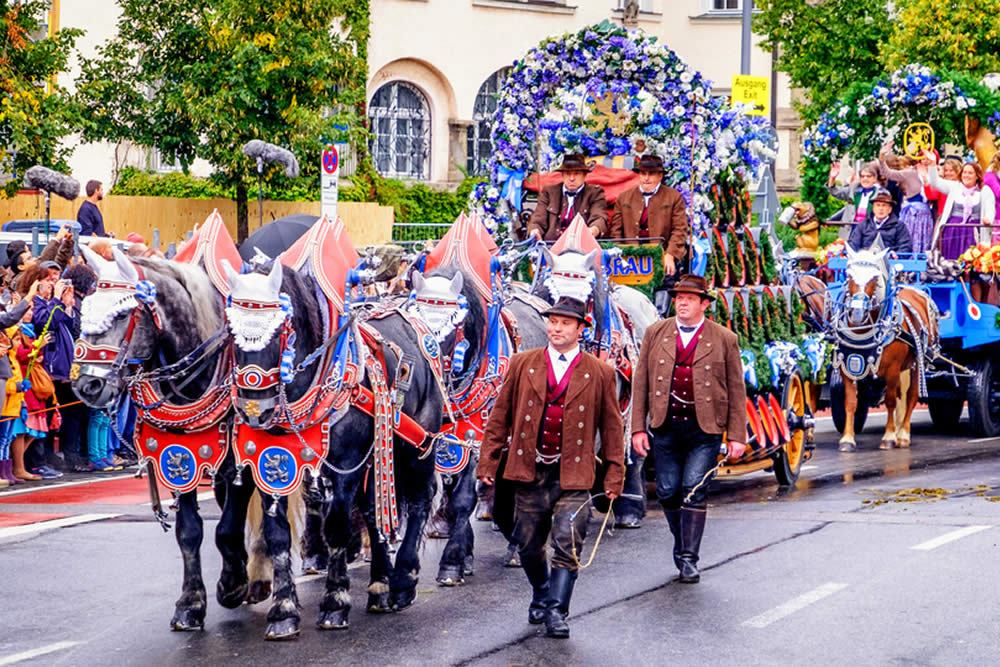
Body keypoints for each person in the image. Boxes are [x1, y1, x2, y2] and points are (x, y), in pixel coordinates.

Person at [478, 297, 624, 639]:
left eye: (565, 323)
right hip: (529, 470)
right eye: (553, 322)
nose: (556, 328)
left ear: (579, 329)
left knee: (567, 540)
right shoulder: (522, 363)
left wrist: (615, 473)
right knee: (528, 544)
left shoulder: (600, 372)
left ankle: (557, 611)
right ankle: (541, 591)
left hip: (574, 474)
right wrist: (489, 459)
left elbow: (613, 428)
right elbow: (500, 416)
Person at [631, 275, 747, 584]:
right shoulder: (655, 333)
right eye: (678, 297)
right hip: (665, 426)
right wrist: (637, 429)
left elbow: (737, 389)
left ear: (704, 304)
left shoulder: (724, 338)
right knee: (668, 491)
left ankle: (687, 558)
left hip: (704, 429)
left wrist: (736, 435)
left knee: (693, 489)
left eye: (689, 298)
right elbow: (640, 382)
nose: (681, 302)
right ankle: (682, 541)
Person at [609, 154, 688, 277]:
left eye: (651, 174)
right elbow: (616, 230)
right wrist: (618, 254)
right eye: (643, 174)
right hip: (631, 256)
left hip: (661, 253)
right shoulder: (624, 197)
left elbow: (680, 229)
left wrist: (670, 254)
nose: (646, 178)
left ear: (660, 176)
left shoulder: (674, 197)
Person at [925, 153, 996, 259]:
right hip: (953, 230)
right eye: (964, 172)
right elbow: (935, 183)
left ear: (977, 176)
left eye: (970, 173)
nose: (966, 175)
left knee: (971, 261)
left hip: (972, 232)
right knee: (951, 259)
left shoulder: (984, 191)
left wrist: (988, 219)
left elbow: (990, 209)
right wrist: (932, 164)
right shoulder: (954, 187)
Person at [527, 154, 608, 242]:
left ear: (584, 175)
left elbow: (599, 216)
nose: (572, 178)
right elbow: (538, 218)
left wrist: (594, 229)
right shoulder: (549, 192)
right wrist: (534, 230)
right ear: (562, 175)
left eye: (576, 174)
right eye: (568, 174)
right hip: (552, 244)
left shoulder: (595, 193)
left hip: (582, 244)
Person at [878, 141, 933, 253]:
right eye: (924, 158)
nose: (926, 161)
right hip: (911, 215)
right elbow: (888, 173)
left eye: (929, 158)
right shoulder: (910, 173)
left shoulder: (936, 175)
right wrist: (882, 157)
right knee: (907, 243)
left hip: (927, 216)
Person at [847, 188, 913, 254]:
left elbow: (906, 246)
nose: (880, 209)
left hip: (890, 261)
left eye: (884, 206)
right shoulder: (863, 224)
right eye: (878, 205)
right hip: (865, 260)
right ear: (873, 208)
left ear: (890, 209)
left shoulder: (899, 226)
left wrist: (897, 255)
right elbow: (853, 244)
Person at [828, 161, 880, 226]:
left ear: (875, 179)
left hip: (869, 231)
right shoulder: (853, 189)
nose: (865, 179)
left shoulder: (880, 194)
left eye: (868, 176)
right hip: (851, 229)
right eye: (862, 176)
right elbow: (835, 191)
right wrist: (832, 178)